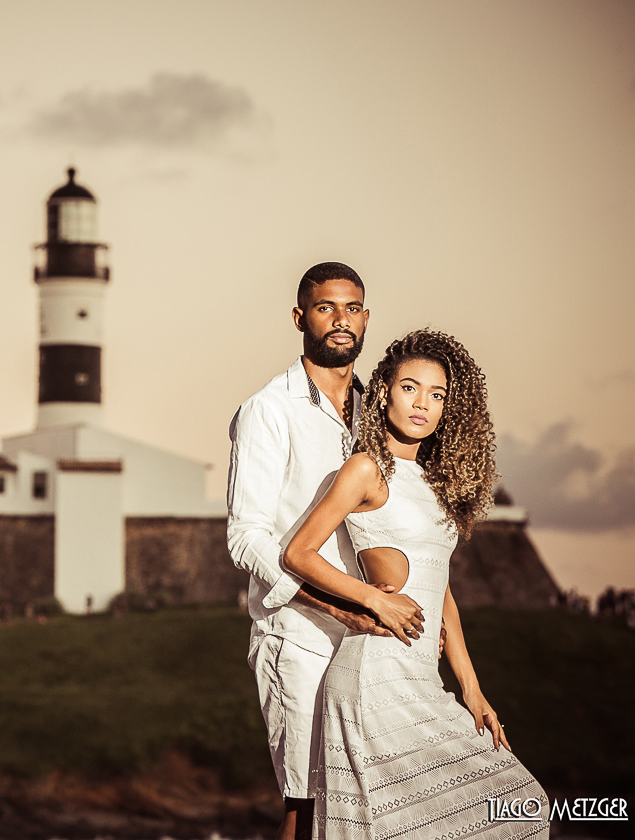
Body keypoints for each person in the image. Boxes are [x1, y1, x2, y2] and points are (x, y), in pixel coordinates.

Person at [282, 329, 548, 838]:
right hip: (373, 678)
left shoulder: (434, 483)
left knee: (518, 807)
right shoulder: (365, 469)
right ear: (384, 392)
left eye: (437, 394)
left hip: (421, 678)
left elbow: (441, 594)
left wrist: (472, 691)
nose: (423, 403)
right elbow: (297, 554)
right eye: (410, 388)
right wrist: (371, 600)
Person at [227, 262, 426, 840]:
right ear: (300, 318)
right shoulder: (268, 409)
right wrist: (338, 605)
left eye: (352, 308)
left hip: (376, 637)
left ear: (366, 318)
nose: (341, 319)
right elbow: (246, 537)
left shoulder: (381, 412)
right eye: (325, 308)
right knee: (307, 807)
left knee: (369, 806)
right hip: (299, 636)